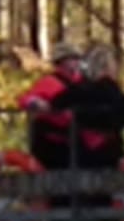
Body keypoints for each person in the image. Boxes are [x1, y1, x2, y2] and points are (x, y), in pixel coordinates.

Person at [48, 43, 124, 169]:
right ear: (107, 66)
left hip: (81, 153)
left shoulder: (79, 89)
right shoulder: (109, 88)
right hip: (107, 152)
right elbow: (123, 113)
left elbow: (57, 102)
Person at [18, 42, 86, 170]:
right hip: (51, 143)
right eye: (73, 58)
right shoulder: (48, 82)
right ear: (62, 62)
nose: (77, 62)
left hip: (75, 142)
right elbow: (24, 100)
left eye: (77, 59)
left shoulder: (82, 82)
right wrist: (37, 103)